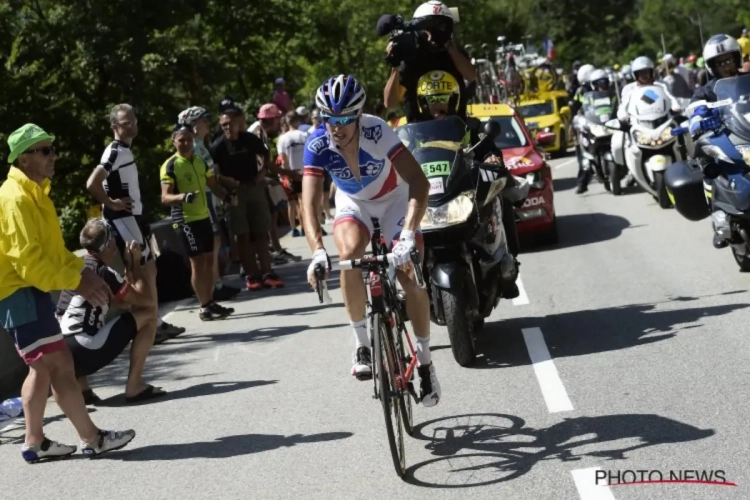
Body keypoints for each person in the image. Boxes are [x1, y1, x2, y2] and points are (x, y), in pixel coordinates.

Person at [302, 74, 441, 407]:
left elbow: (419, 183)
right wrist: (317, 251)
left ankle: (424, 362)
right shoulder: (316, 143)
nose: (336, 126)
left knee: (409, 273)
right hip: (354, 203)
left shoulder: (377, 131)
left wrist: (408, 233)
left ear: (358, 115)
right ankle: (362, 341)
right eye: (328, 119)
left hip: (395, 199)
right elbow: (307, 204)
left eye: (344, 119)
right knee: (348, 254)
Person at [0, 124, 135, 462]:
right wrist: (76, 283)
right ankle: (88, 438)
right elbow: (30, 263)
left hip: (27, 293)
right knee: (56, 364)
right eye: (45, 151)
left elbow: (56, 252)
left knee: (46, 366)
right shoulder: (15, 198)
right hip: (20, 294)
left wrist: (83, 271)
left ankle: (37, 442)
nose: (53, 157)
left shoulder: (35, 193)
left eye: (53, 149)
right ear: (24, 158)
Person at [86, 104, 185, 341]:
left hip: (132, 219)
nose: (132, 125)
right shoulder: (115, 151)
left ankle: (153, 322)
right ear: (114, 127)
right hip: (124, 220)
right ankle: (150, 325)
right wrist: (111, 204)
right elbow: (92, 183)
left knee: (144, 271)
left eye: (133, 120)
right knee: (142, 271)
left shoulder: (122, 150)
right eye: (125, 122)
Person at [59, 219, 162, 403]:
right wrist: (135, 265)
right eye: (113, 236)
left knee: (80, 327)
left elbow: (122, 303)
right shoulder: (103, 272)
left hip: (62, 356)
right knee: (149, 317)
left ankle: (83, 391)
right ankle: (135, 385)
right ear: (108, 245)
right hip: (87, 350)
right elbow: (146, 301)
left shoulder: (78, 269)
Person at [161, 124, 236, 320]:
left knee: (209, 261)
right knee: (197, 263)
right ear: (174, 142)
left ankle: (210, 302)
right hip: (185, 220)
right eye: (181, 140)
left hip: (203, 217)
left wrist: (228, 197)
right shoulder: (170, 165)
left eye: (188, 139)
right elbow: (165, 198)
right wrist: (183, 197)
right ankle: (204, 307)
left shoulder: (200, 162)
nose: (185, 143)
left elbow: (212, 185)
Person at [210, 106, 285, 290]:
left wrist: (262, 173)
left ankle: (267, 272)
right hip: (235, 193)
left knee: (261, 232)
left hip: (254, 188)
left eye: (231, 123)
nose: (228, 128)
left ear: (239, 123)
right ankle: (252, 275)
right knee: (242, 235)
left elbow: (265, 155)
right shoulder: (218, 146)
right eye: (224, 125)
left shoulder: (250, 140)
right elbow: (213, 173)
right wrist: (224, 181)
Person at [178, 106, 241, 301]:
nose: (207, 124)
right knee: (210, 244)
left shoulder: (201, 144)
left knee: (215, 241)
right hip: (201, 201)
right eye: (203, 120)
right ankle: (213, 287)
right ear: (194, 123)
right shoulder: (193, 146)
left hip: (210, 198)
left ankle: (216, 283)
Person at [383, 1, 476, 123]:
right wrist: (395, 67)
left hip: (456, 134)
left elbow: (471, 76)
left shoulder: (455, 56)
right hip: (419, 136)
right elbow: (390, 103)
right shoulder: (412, 59)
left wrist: (449, 45)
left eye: (438, 29)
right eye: (428, 30)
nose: (432, 36)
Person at [250, 103, 303, 260]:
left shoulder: (262, 131)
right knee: (266, 216)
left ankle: (275, 249)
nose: (279, 121)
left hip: (261, 176)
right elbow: (258, 161)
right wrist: (287, 173)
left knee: (272, 212)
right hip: (255, 179)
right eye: (277, 118)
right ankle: (269, 252)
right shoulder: (256, 132)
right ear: (270, 119)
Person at [277, 111, 308, 237]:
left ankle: (294, 228)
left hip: (291, 172)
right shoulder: (305, 135)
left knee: (292, 202)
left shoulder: (283, 139)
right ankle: (304, 227)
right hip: (305, 171)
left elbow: (283, 159)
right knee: (302, 201)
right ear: (297, 121)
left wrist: (286, 175)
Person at [691, 34, 746, 104]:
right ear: (712, 67)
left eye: (729, 61)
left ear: (737, 60)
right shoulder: (706, 93)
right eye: (719, 64)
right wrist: (699, 110)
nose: (726, 67)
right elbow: (693, 107)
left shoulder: (748, 80)